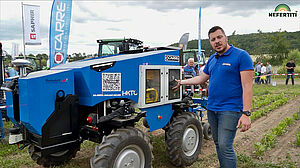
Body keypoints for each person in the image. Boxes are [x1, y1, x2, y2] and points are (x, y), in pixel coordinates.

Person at [173, 26, 253, 168]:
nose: (217, 41)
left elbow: (247, 86)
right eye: (213, 39)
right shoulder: (212, 60)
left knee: (225, 145)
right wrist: (182, 82)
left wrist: (246, 113)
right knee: (218, 144)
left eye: (219, 37)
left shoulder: (241, 56)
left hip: (230, 109)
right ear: (210, 42)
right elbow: (200, 79)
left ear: (225, 37)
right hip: (212, 108)